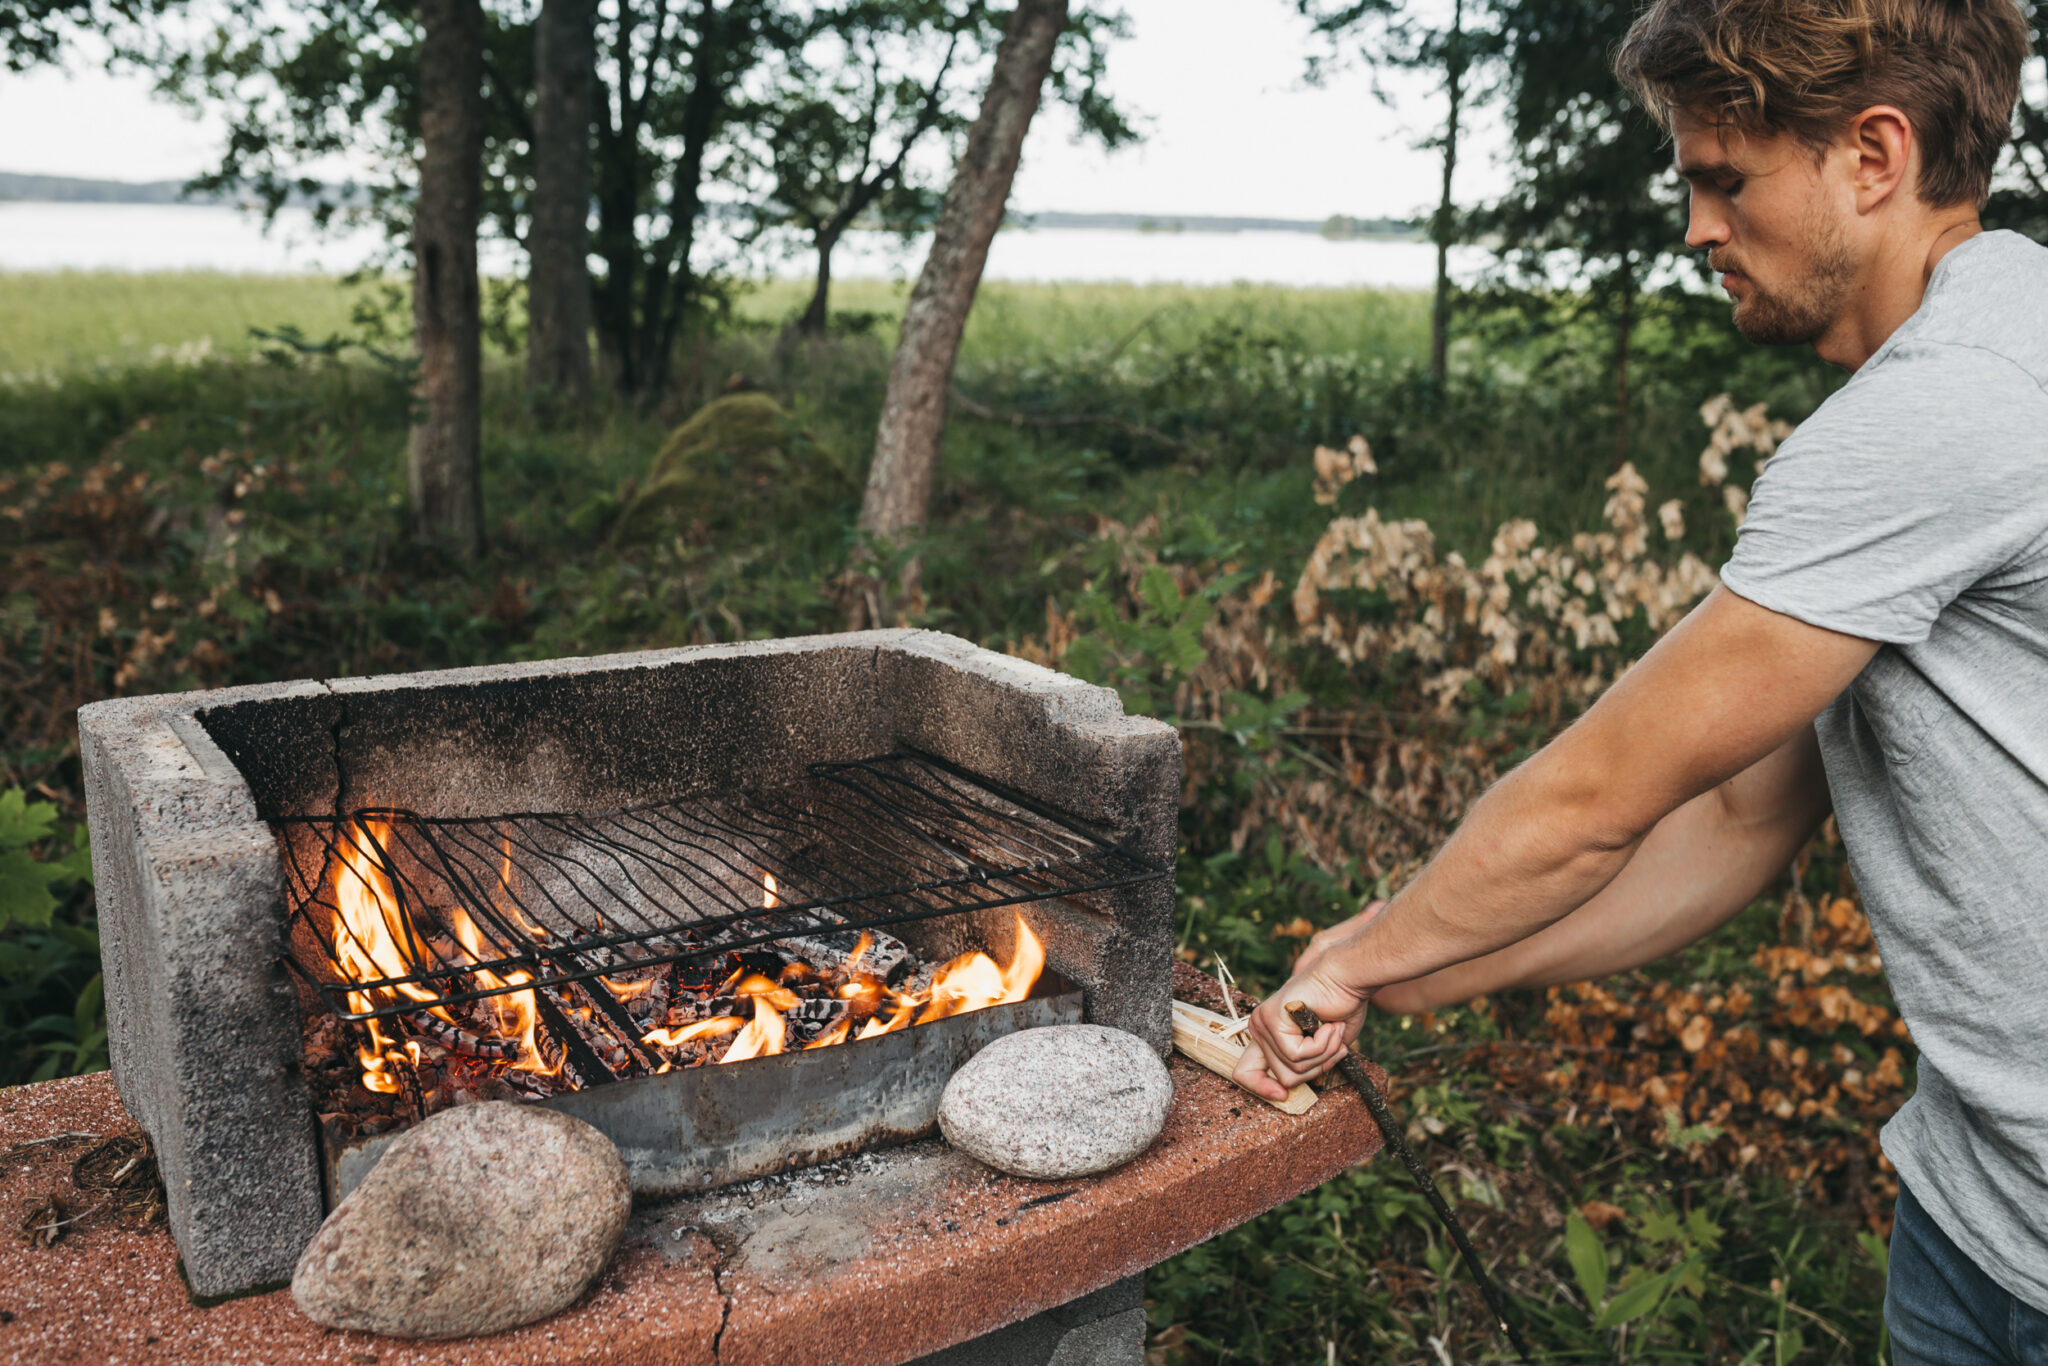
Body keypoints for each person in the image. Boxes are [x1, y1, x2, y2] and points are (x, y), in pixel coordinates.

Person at [1232, 0, 2047, 1358]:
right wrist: (1418, 971)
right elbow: (1731, 822)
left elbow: (1598, 794)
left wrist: (1362, 946)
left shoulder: (1942, 411)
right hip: (1979, 1216)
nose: (1697, 229)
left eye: (1726, 179)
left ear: (1874, 156)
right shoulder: (2004, 341)